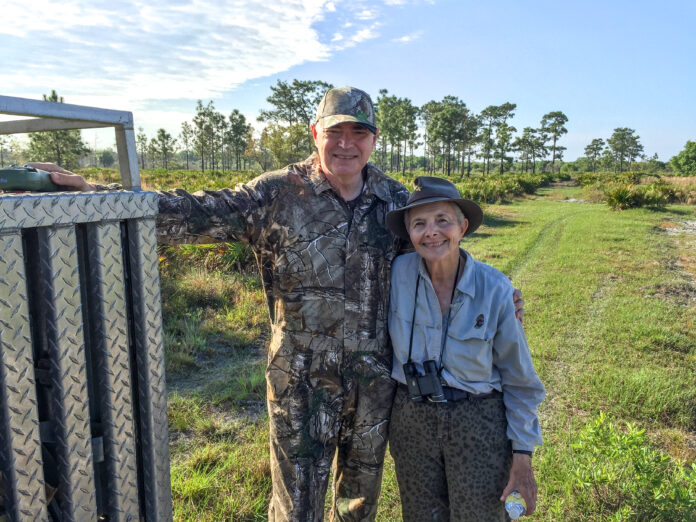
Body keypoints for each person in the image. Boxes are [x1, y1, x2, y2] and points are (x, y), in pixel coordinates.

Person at [34, 87, 524, 521]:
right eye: (336, 131)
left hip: (375, 386)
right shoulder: (276, 194)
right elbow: (194, 212)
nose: (346, 143)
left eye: (359, 132)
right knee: (296, 509)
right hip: (300, 384)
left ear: (374, 139)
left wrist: (493, 295)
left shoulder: (393, 201)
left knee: (358, 506)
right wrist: (99, 195)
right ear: (316, 133)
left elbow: (437, 249)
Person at [385, 176, 545, 521]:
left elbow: (520, 381)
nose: (432, 232)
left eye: (443, 220)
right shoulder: (394, 274)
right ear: (409, 235)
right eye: (419, 224)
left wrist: (522, 458)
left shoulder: (496, 289)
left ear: (463, 227)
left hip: (478, 421)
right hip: (411, 419)